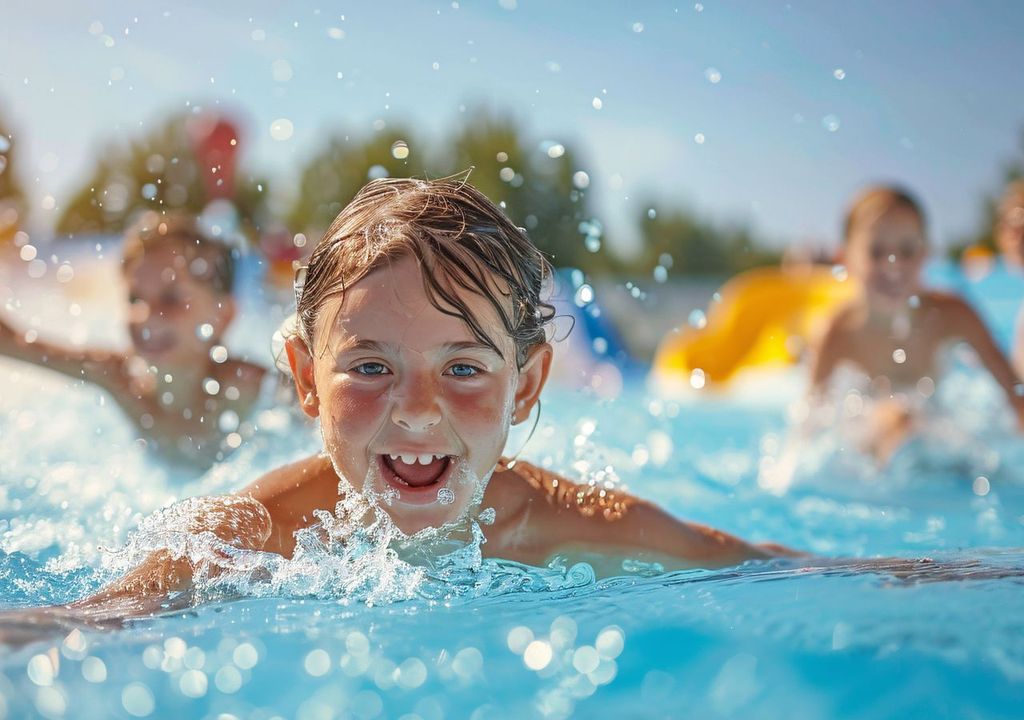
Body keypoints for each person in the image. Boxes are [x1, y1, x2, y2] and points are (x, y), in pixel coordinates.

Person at [0, 177, 794, 633]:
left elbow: (762, 564)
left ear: (525, 386)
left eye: (463, 369)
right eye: (371, 366)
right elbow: (83, 620)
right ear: (307, 381)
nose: (416, 411)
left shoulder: (565, 522)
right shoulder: (258, 531)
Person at [0, 212, 266, 467]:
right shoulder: (122, 379)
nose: (146, 316)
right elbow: (16, 344)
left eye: (171, 298)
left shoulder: (244, 387)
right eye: (135, 298)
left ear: (223, 316)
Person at [809, 185, 1024, 463]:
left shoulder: (953, 314)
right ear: (845, 258)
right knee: (893, 418)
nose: (893, 265)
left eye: (907, 250)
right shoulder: (838, 332)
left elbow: (1014, 391)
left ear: (926, 254)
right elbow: (809, 427)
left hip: (938, 421)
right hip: (865, 427)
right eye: (876, 252)